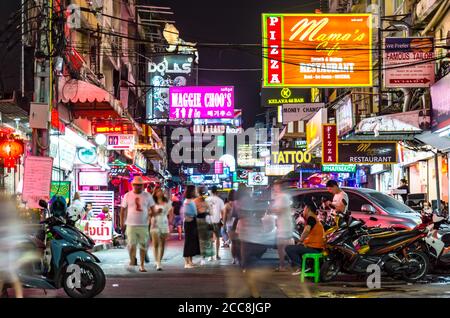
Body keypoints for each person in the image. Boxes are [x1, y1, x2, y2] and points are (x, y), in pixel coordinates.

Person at [120, 176, 156, 272]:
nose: (138, 187)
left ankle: (142, 265)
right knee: (132, 245)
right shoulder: (127, 195)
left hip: (143, 225)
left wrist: (152, 219)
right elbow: (122, 209)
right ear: (132, 185)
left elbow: (153, 209)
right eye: (136, 185)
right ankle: (132, 262)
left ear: (143, 185)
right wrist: (121, 222)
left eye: (140, 185)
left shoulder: (147, 195)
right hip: (131, 224)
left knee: (143, 246)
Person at [285, 199, 325, 276]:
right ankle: (303, 267)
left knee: (289, 248)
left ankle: (303, 267)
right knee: (295, 248)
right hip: (314, 247)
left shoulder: (311, 218)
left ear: (308, 208)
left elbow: (306, 230)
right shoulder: (314, 219)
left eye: (304, 208)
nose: (303, 210)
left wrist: (300, 240)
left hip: (314, 248)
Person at [271, 180, 294, 272]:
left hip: (284, 225)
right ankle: (287, 264)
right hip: (283, 224)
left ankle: (283, 266)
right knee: (284, 246)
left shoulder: (282, 197)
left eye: (276, 186)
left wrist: (272, 210)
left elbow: (280, 210)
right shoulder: (282, 196)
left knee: (281, 246)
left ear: (280, 187)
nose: (274, 188)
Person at [150, 187, 173, 271]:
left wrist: (170, 225)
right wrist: (156, 212)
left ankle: (159, 261)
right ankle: (157, 261)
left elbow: (171, 213)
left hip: (164, 223)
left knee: (162, 244)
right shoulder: (152, 203)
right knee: (155, 244)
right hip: (154, 223)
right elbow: (149, 213)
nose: (160, 192)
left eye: (161, 191)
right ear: (155, 193)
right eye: (158, 191)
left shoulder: (167, 202)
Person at [195, 186, 215, 264]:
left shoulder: (195, 201)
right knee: (206, 239)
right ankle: (206, 256)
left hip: (197, 221)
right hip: (205, 221)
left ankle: (202, 257)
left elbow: (194, 213)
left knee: (199, 240)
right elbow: (211, 212)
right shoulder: (206, 201)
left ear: (197, 192)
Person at [182, 185, 200, 268]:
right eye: (194, 190)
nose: (196, 192)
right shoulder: (188, 202)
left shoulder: (189, 201)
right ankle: (186, 263)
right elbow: (193, 213)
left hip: (191, 222)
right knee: (188, 242)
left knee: (191, 242)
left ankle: (190, 261)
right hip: (189, 223)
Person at [206, 185, 225, 260]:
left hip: (208, 221)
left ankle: (210, 256)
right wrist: (223, 220)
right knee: (217, 238)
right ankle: (217, 255)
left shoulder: (206, 199)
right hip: (217, 221)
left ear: (210, 191)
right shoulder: (220, 200)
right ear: (217, 192)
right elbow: (222, 212)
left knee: (210, 239)